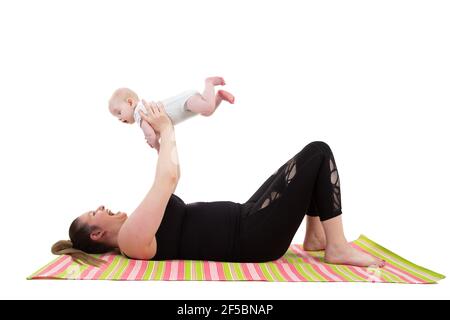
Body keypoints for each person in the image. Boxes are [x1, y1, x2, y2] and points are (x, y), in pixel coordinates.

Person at [52, 101, 385, 268]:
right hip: (252, 238)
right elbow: (168, 178)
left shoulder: (133, 234)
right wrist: (167, 130)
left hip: (247, 218)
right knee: (317, 153)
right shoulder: (129, 240)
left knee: (297, 167)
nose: (100, 207)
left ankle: (316, 237)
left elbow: (164, 179)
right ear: (96, 234)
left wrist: (161, 144)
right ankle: (337, 246)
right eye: (93, 213)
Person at [108, 76, 235, 151]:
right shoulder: (144, 113)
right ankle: (219, 96)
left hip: (183, 102)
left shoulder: (138, 113)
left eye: (119, 112)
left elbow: (150, 135)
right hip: (185, 105)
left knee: (207, 107)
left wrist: (157, 145)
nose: (119, 118)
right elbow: (157, 129)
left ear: (130, 102)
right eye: (116, 117)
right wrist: (156, 136)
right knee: (208, 111)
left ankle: (209, 83)